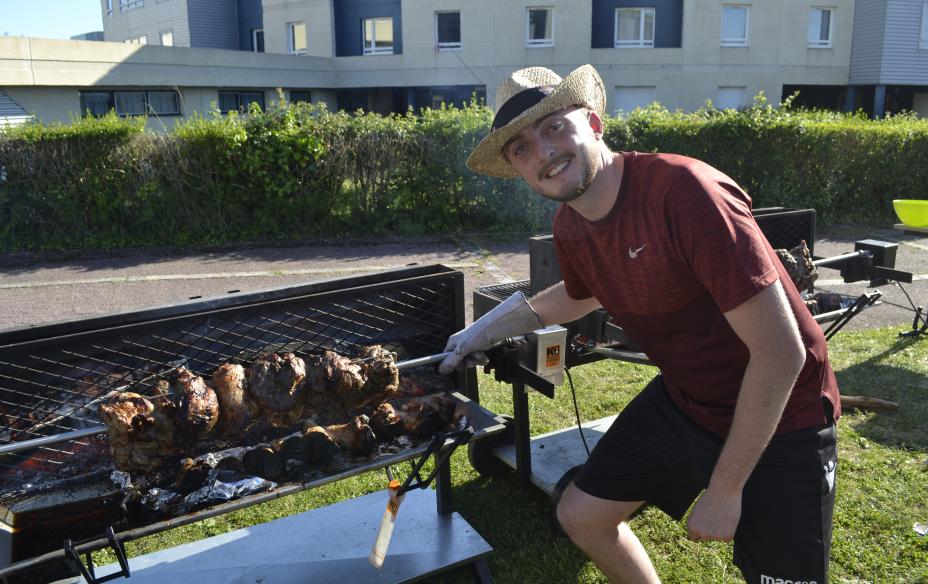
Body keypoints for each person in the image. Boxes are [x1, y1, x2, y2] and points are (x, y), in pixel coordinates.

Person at [439, 64, 839, 584]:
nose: (542, 152)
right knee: (581, 514)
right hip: (688, 399)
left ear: (594, 122)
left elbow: (783, 353)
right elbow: (578, 296)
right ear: (517, 169)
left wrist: (724, 490)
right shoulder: (571, 225)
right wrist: (479, 332)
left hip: (785, 413)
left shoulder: (686, 194)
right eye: (521, 148)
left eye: (553, 127)